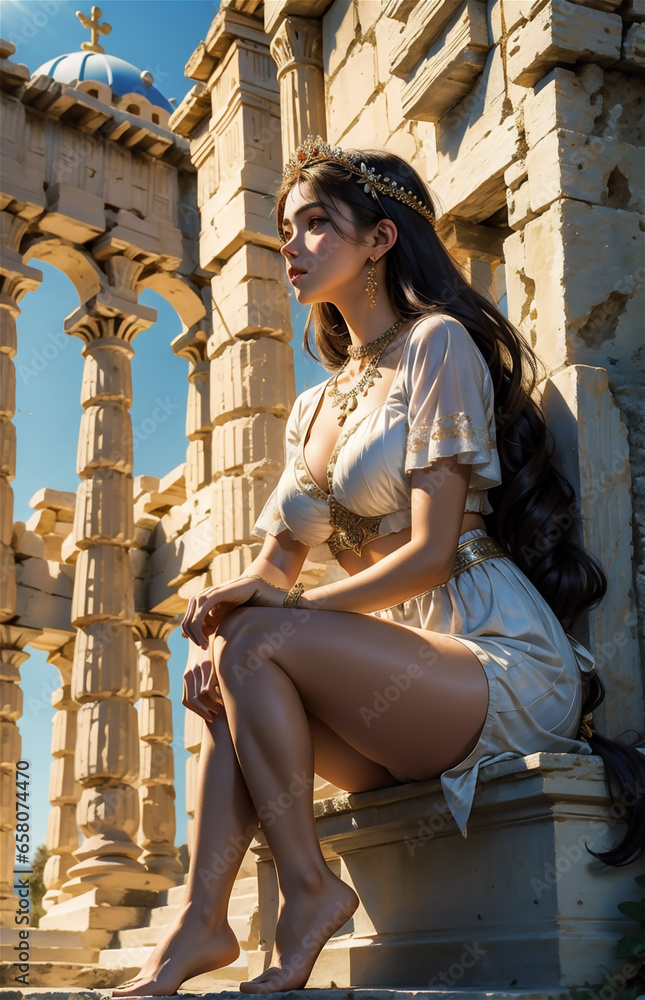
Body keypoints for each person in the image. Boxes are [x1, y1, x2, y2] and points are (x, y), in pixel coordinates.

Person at [112, 137, 644, 998]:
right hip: (393, 676)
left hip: (489, 658)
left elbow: (431, 553)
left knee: (253, 641)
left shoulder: (438, 346)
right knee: (222, 670)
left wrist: (277, 615)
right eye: (286, 228)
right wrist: (240, 610)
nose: (290, 245)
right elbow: (278, 564)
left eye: (316, 224)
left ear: (380, 239)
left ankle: (309, 894)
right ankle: (198, 926)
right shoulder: (316, 402)